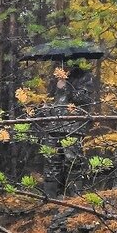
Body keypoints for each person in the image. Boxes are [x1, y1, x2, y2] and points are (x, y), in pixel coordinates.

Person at [40, 63, 92, 198]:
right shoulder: (54, 78)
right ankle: (50, 199)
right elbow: (50, 99)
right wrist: (45, 108)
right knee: (51, 160)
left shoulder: (84, 76)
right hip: (53, 125)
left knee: (73, 161)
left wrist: (66, 87)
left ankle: (76, 199)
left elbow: (84, 99)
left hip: (73, 126)